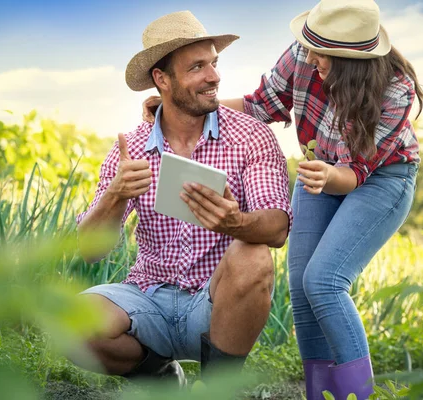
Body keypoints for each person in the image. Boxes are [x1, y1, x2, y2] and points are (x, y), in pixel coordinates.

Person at [143, 0, 423, 398]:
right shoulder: (302, 54)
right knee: (302, 288)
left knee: (324, 282)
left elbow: (356, 173)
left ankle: (360, 396)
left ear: (352, 60)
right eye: (309, 46)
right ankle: (320, 394)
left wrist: (330, 175)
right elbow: (259, 106)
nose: (310, 57)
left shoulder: (396, 90)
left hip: (380, 177)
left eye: (321, 53)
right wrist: (177, 106)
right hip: (319, 171)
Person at [75, 10, 292, 389]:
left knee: (253, 254)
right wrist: (115, 195)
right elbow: (89, 250)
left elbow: (276, 228)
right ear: (162, 79)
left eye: (213, 63)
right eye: (196, 67)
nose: (214, 76)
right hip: (148, 295)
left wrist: (235, 223)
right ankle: (160, 379)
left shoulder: (251, 136)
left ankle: (215, 389)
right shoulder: (132, 149)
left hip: (215, 304)